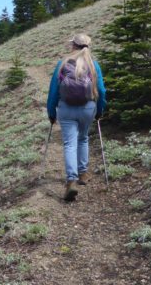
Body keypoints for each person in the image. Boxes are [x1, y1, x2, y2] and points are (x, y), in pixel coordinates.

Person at [47, 34, 107, 202]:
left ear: (73, 46)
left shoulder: (62, 63)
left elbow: (53, 91)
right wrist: (100, 110)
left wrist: (51, 112)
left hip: (66, 109)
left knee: (69, 144)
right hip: (87, 108)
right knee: (83, 139)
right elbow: (101, 91)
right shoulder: (93, 65)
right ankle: (83, 173)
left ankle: (71, 180)